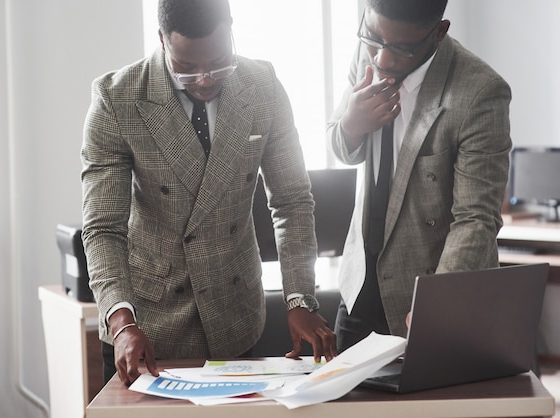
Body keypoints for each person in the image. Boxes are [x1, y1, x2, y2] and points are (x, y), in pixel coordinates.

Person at [81, 0, 337, 386]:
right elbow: (103, 227)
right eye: (186, 69)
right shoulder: (117, 99)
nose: (204, 80)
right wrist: (121, 322)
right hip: (145, 328)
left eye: (218, 62)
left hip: (233, 316)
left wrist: (299, 298)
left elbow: (292, 201)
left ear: (231, 29)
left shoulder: (263, 86)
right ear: (162, 40)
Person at [327, 0, 512, 352]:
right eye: (373, 38)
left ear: (439, 33)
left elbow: (476, 218)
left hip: (430, 291)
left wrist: (437, 301)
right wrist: (352, 125)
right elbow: (341, 146)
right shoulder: (368, 51)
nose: (382, 59)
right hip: (359, 285)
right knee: (346, 406)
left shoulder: (480, 92)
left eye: (401, 49)